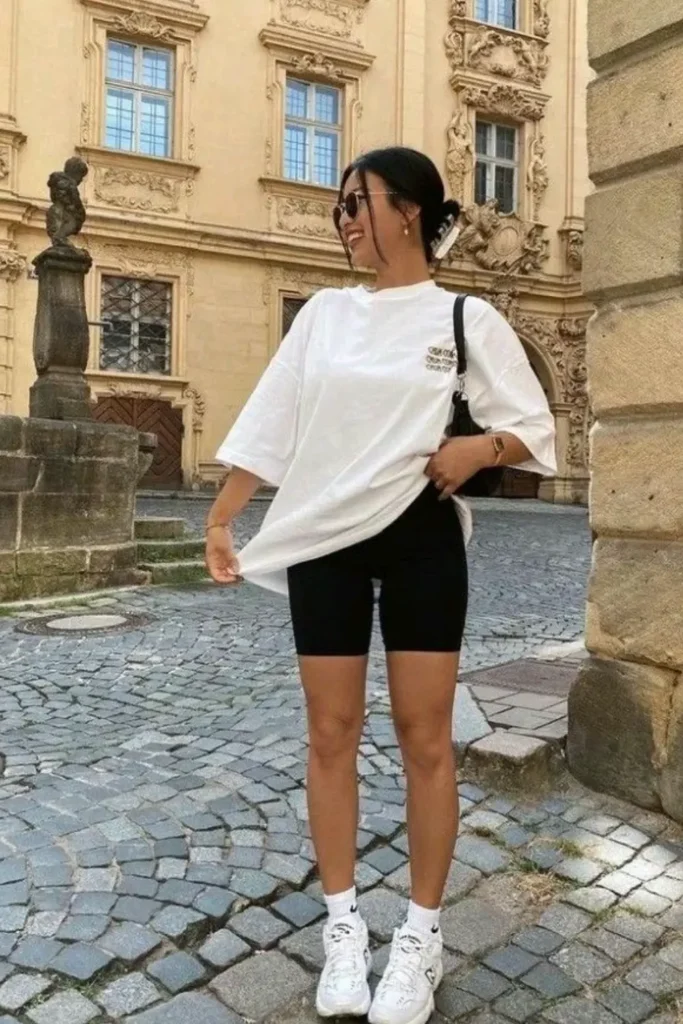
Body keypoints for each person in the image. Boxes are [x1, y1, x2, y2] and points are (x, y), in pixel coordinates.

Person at [206, 146, 556, 1024]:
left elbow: (533, 428)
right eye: (340, 208)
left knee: (424, 738)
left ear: (409, 210)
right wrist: (222, 517)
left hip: (420, 540)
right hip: (325, 538)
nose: (345, 221)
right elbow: (272, 418)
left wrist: (480, 447)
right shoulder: (324, 314)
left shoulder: (467, 317)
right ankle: (340, 928)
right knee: (330, 731)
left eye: (356, 202)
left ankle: (421, 938)